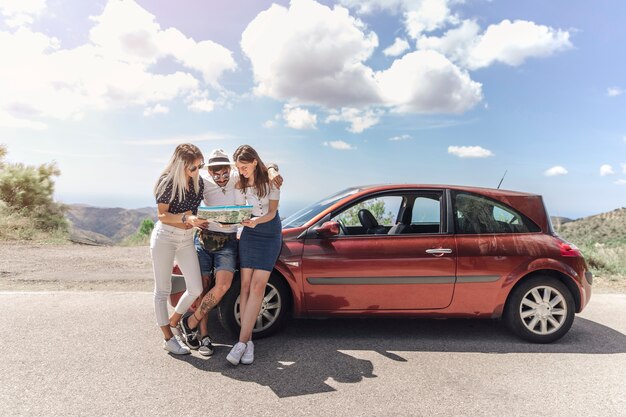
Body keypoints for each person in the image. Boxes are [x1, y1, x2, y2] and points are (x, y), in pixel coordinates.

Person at [178, 149, 282, 357]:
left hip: (233, 240)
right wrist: (192, 220)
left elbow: (264, 167)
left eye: (225, 171)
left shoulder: (239, 176)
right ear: (210, 171)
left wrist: (272, 170)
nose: (221, 176)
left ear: (230, 168)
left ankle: (195, 323)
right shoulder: (204, 182)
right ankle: (204, 335)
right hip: (206, 238)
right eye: (215, 172)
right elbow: (188, 201)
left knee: (225, 285)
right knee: (205, 285)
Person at [150, 143, 209, 355]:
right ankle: (168, 338)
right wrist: (187, 218)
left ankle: (174, 320)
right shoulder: (167, 182)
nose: (197, 171)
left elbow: (198, 210)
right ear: (180, 165)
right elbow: (162, 215)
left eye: (199, 166)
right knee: (162, 290)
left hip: (186, 239)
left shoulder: (198, 183)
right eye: (193, 167)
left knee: (195, 288)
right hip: (165, 236)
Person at [226, 145, 282, 365]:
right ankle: (248, 343)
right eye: (239, 167)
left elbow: (272, 213)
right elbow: (241, 210)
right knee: (245, 286)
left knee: (258, 287)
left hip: (269, 232)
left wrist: (272, 170)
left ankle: (240, 343)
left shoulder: (271, 181)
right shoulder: (239, 182)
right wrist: (241, 220)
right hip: (249, 234)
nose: (242, 171)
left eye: (245, 166)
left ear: (255, 163)